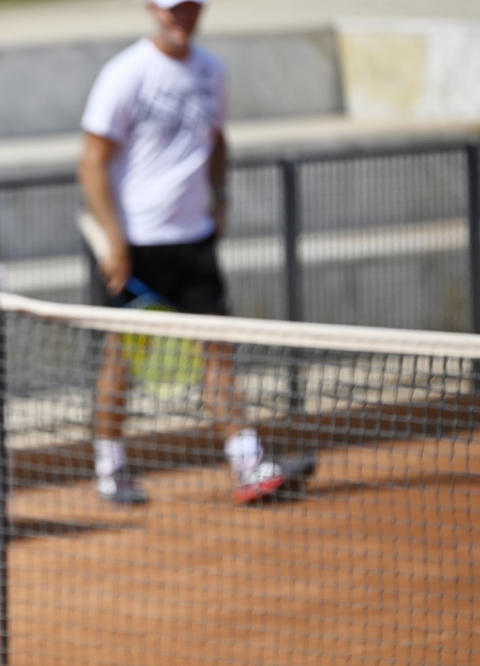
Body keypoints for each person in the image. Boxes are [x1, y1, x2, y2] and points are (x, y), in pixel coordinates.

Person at [77, 0, 315, 505]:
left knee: (218, 353)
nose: (180, 16)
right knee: (121, 360)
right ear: (152, 10)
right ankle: (109, 470)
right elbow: (92, 163)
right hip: (138, 246)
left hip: (196, 241)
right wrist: (115, 240)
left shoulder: (213, 71)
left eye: (188, 7)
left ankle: (249, 465)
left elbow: (217, 140)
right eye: (171, 8)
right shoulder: (125, 73)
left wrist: (220, 198)